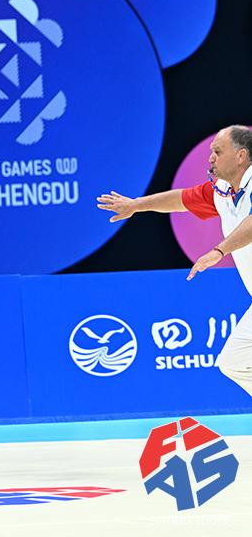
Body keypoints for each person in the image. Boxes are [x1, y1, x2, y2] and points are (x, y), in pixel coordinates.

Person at [98, 124, 252, 397]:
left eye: (218, 151)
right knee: (234, 362)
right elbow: (181, 199)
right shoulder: (222, 192)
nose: (211, 158)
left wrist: (219, 251)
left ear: (241, 156)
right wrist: (135, 205)